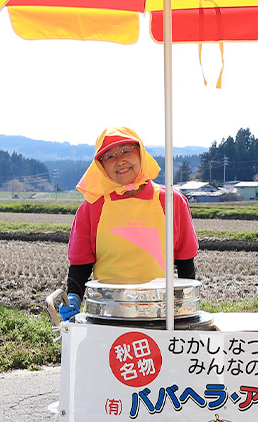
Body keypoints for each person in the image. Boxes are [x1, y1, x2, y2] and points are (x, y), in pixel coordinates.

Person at [60, 126, 198, 319]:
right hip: (107, 312)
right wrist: (73, 296)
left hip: (159, 311)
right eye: (109, 156)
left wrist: (184, 305)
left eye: (126, 151)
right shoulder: (92, 207)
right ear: (101, 166)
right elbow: (81, 264)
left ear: (140, 153)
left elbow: (185, 260)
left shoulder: (171, 201)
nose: (119, 160)